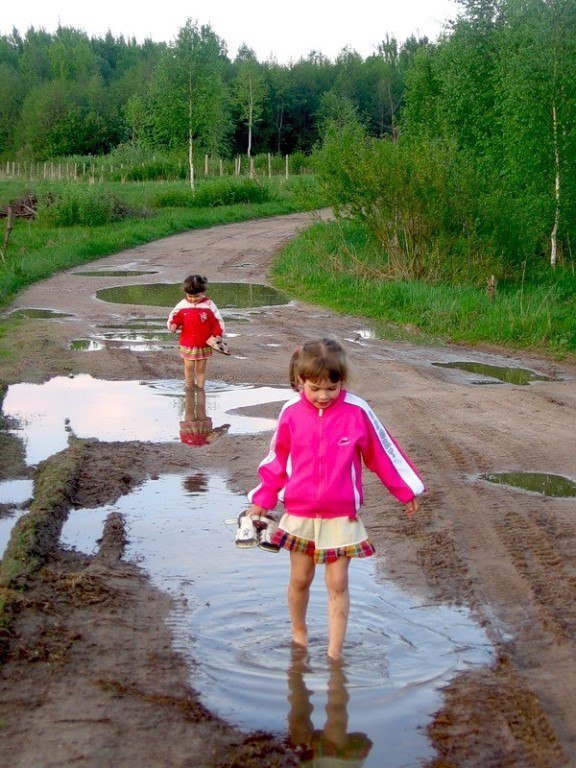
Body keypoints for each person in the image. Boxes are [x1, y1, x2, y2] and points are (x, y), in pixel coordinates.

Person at [244, 337, 425, 660]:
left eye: (332, 387)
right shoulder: (290, 412)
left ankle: (334, 652)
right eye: (314, 388)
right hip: (299, 512)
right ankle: (299, 632)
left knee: (338, 581)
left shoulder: (356, 411)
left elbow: (382, 454)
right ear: (300, 380)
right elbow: (276, 459)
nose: (324, 396)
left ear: (342, 379)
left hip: (341, 515)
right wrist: (263, 498)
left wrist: (406, 489)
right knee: (300, 578)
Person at [167, 274, 226, 389]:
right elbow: (175, 317)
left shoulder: (209, 305)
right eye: (190, 296)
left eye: (197, 296)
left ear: (203, 292)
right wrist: (173, 325)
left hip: (204, 343)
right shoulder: (183, 305)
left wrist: (218, 335)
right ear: (186, 293)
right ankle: (189, 387)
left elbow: (216, 322)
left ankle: (200, 389)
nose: (193, 299)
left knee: (200, 369)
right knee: (188, 367)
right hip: (187, 343)